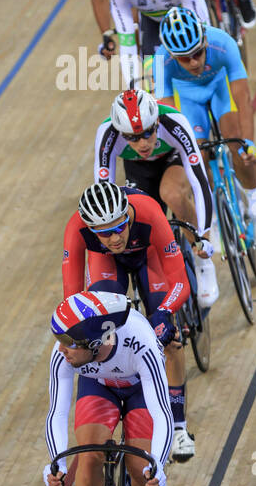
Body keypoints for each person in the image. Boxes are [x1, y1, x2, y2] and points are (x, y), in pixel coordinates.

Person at [62, 180, 196, 462]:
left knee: (168, 340)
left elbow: (179, 282)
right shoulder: (76, 228)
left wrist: (164, 312)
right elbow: (72, 298)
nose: (114, 238)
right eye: (104, 233)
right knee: (100, 324)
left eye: (119, 227)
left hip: (149, 255)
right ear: (90, 229)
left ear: (127, 215)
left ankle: (179, 425)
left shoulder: (148, 211)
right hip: (105, 263)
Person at [44, 290, 172, 486]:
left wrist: (158, 466)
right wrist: (57, 462)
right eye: (59, 342)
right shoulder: (64, 352)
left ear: (93, 342)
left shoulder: (140, 341)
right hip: (99, 386)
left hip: (141, 390)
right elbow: (57, 411)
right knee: (88, 457)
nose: (61, 350)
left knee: (141, 467)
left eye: (68, 344)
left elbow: (162, 412)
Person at [153, 6, 256, 246]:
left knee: (236, 141)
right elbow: (168, 115)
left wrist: (248, 145)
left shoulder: (223, 43)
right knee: (197, 156)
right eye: (184, 58)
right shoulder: (160, 61)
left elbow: (243, 99)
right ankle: (215, 215)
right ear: (170, 54)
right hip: (187, 97)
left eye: (197, 52)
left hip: (219, 88)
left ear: (205, 39)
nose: (193, 62)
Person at [94, 86, 219, 309]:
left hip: (172, 158)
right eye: (132, 137)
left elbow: (198, 182)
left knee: (171, 193)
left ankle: (201, 262)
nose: (142, 143)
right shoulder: (107, 134)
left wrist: (205, 235)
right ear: (120, 132)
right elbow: (104, 197)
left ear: (157, 123)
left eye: (147, 133)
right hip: (138, 168)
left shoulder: (174, 121)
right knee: (140, 219)